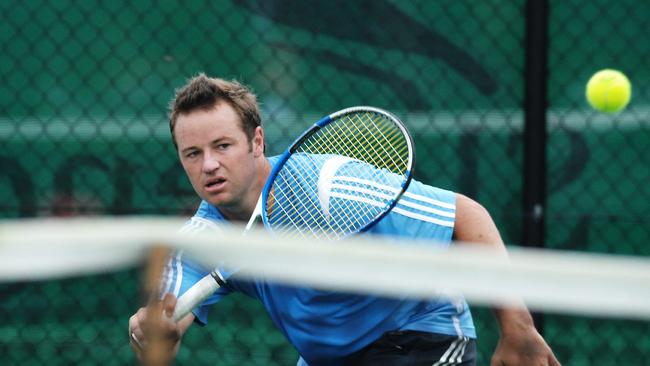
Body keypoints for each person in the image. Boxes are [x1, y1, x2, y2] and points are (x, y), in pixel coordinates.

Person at [128, 73, 560, 366]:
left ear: (256, 141)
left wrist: (517, 327)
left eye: (223, 146)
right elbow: (168, 320)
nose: (209, 166)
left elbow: (466, 215)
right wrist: (153, 329)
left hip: (417, 335)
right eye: (193, 153)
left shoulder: (327, 186)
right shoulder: (202, 238)